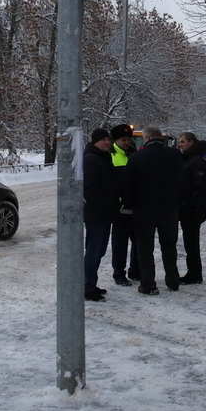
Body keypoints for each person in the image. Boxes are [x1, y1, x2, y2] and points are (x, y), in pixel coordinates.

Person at [126, 125, 183, 295]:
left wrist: (128, 204)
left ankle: (148, 283)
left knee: (145, 247)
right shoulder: (175, 155)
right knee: (169, 245)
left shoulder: (137, 157)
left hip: (144, 209)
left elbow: (129, 184)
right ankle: (173, 280)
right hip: (169, 208)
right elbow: (182, 179)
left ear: (147, 138)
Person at [82, 128, 118, 302]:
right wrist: (103, 205)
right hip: (96, 214)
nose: (107, 142)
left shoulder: (103, 158)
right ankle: (87, 286)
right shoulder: (91, 159)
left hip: (105, 214)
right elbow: (90, 188)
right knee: (93, 251)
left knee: (99, 250)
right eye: (103, 140)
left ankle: (91, 283)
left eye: (108, 140)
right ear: (95, 141)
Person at [109, 123, 140, 286]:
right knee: (119, 244)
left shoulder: (134, 155)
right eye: (124, 140)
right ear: (116, 140)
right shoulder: (111, 156)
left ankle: (135, 270)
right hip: (120, 210)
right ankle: (119, 273)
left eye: (129, 139)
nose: (127, 142)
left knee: (137, 242)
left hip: (135, 208)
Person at [177, 132, 206, 284]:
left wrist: (190, 205)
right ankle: (193, 271)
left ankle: (195, 273)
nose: (180, 144)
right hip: (187, 208)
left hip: (192, 210)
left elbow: (200, 188)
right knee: (189, 242)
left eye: (183, 141)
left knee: (191, 242)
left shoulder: (196, 162)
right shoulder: (188, 159)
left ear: (191, 142)